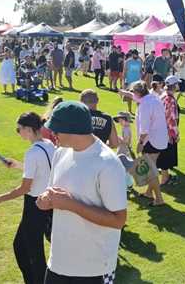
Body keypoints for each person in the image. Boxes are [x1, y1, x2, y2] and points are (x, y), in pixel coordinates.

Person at [37, 101, 127, 283]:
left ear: (73, 130)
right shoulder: (60, 153)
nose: (51, 134)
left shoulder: (108, 164)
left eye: (56, 130)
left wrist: (71, 204)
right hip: (58, 263)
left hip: (93, 269)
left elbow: (119, 220)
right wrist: (45, 200)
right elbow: (50, 193)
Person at [0, 112, 55, 284]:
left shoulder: (33, 152)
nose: (18, 133)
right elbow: (42, 171)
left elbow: (25, 188)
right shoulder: (49, 145)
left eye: (19, 129)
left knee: (32, 252)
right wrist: (17, 165)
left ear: (28, 129)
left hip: (34, 205)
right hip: (47, 202)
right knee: (22, 247)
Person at [119, 81, 168, 206]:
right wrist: (125, 93)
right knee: (151, 168)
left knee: (150, 171)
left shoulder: (145, 105)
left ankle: (159, 199)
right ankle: (148, 193)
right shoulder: (152, 97)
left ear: (138, 92)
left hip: (151, 140)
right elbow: (135, 97)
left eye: (133, 92)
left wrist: (140, 143)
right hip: (160, 138)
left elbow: (145, 129)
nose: (132, 95)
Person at [158, 76, 180, 186]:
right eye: (177, 84)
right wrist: (175, 134)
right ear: (174, 85)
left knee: (163, 155)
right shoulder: (170, 99)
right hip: (167, 132)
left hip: (161, 130)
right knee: (165, 156)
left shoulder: (163, 95)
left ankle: (165, 177)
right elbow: (171, 119)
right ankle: (164, 179)